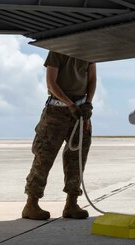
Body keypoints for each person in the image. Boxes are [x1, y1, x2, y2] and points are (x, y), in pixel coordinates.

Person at [22, 52, 97, 221]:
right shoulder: (58, 49)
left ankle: (71, 203)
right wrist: (69, 104)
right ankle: (31, 204)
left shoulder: (90, 49)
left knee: (77, 158)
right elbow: (51, 82)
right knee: (44, 156)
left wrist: (88, 103)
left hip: (80, 113)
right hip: (56, 112)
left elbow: (92, 79)